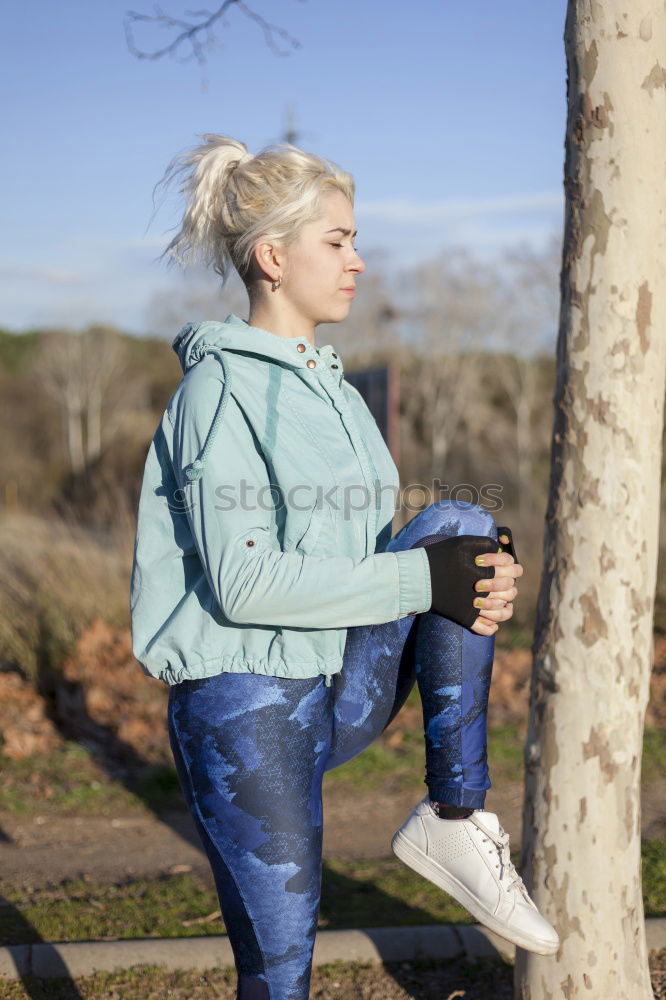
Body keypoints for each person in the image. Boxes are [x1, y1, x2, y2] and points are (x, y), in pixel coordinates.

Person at [130, 134, 559, 1000]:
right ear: (273, 257)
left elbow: (367, 561)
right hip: (242, 711)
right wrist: (424, 582)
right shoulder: (219, 394)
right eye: (339, 241)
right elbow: (246, 584)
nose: (359, 261)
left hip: (329, 687)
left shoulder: (337, 395)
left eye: (355, 240)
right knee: (282, 978)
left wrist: (468, 574)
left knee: (460, 521)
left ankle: (455, 816)